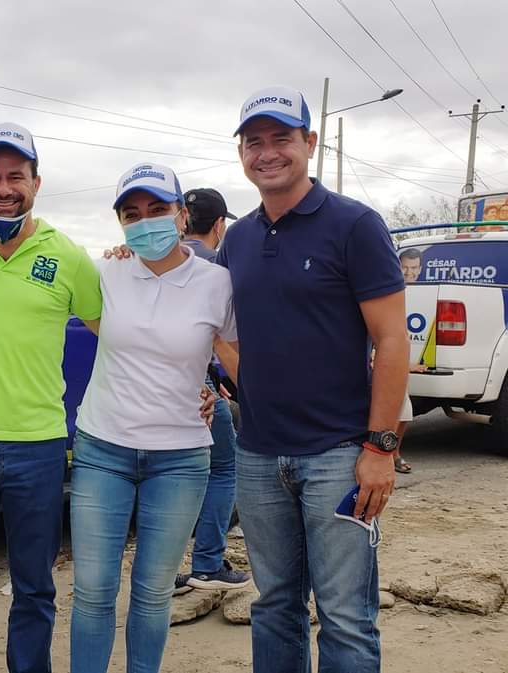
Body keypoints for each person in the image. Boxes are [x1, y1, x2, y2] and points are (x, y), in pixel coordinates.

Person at [221, 86, 408, 673]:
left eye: (282, 139)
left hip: (337, 456)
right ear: (242, 153)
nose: (268, 152)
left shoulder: (354, 225)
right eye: (255, 142)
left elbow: (393, 340)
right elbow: (225, 331)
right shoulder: (238, 238)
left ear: (310, 143)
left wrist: (380, 447)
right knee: (274, 605)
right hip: (257, 456)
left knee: (346, 616)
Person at [0, 122, 103, 673]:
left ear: (36, 182)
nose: (3, 188)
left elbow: (119, 335)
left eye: (16, 176)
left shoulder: (69, 255)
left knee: (34, 587)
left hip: (39, 445)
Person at [70, 163, 239, 673]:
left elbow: (237, 361)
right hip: (103, 449)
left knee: (152, 593)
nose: (145, 222)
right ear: (121, 224)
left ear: (182, 215)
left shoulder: (218, 283)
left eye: (158, 210)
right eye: (132, 214)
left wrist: (219, 393)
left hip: (181, 458)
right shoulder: (105, 272)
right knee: (93, 592)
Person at [172, 187, 252, 593]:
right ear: (219, 225)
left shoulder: (157, 259)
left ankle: (168, 567)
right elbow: (224, 338)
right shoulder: (218, 268)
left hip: (157, 386)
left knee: (171, 473)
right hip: (195, 386)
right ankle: (207, 563)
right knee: (224, 465)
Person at [395, 248, 424, 473]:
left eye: (413, 268)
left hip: (403, 363)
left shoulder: (422, 293)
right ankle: (389, 455)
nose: (409, 272)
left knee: (405, 412)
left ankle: (393, 453)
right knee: (398, 410)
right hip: (385, 362)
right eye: (405, 267)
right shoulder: (388, 291)